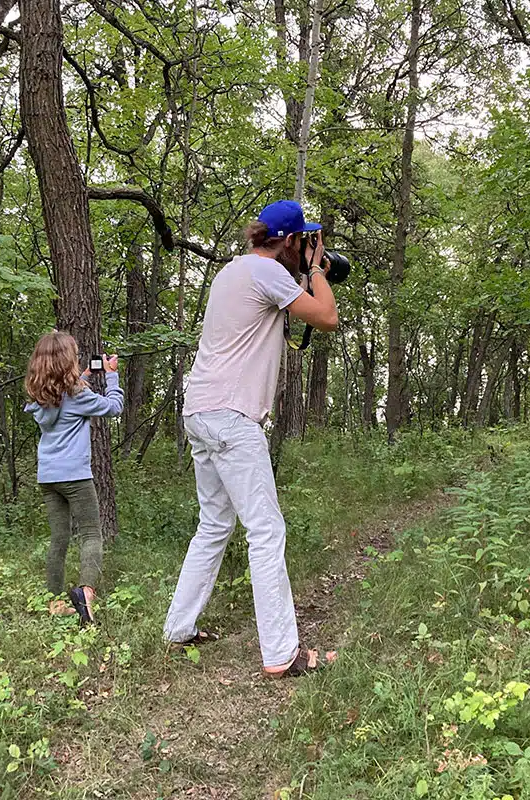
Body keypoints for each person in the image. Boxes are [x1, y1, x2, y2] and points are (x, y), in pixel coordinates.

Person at [163, 199, 340, 677]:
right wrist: (317, 270)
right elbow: (326, 317)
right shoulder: (269, 274)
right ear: (288, 241)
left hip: (200, 411)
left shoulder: (231, 272)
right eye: (304, 239)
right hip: (232, 418)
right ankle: (282, 653)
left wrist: (303, 270)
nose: (306, 245)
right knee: (266, 531)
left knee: (214, 525)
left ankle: (179, 628)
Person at [24, 331, 123, 624]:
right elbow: (113, 408)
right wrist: (112, 376)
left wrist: (88, 373)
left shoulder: (40, 397)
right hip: (76, 476)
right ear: (68, 361)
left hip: (48, 477)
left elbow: (63, 393)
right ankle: (86, 596)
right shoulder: (78, 396)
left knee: (59, 538)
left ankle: (53, 602)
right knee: (91, 534)